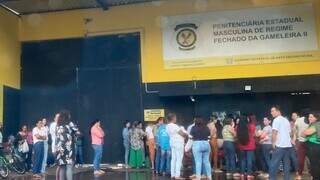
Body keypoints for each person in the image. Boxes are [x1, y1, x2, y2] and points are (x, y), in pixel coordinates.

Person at [269, 105, 292, 180]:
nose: (271, 113)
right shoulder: (286, 120)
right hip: (287, 146)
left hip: (279, 145)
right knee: (286, 165)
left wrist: (273, 143)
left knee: (273, 164)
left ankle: (272, 178)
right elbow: (290, 133)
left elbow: (274, 132)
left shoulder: (276, 120)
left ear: (278, 111)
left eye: (273, 111)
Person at [166, 113, 187, 179]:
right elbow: (183, 134)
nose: (176, 119)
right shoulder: (175, 126)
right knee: (179, 159)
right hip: (178, 143)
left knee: (173, 159)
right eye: (175, 117)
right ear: (173, 118)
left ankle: (173, 174)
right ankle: (177, 175)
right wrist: (186, 134)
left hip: (172, 143)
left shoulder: (167, 126)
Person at [55, 110, 75, 180]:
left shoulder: (57, 126)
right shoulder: (70, 124)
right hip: (67, 148)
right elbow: (77, 132)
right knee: (69, 167)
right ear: (67, 116)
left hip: (59, 148)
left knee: (62, 167)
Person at [302, 112, 320, 179]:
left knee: (314, 164)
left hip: (314, 146)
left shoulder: (316, 124)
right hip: (314, 146)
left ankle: (316, 177)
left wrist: (305, 132)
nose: (309, 118)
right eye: (309, 117)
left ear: (316, 118)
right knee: (315, 163)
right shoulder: (313, 125)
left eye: (311, 117)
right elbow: (303, 134)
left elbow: (304, 133)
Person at [292, 112, 308, 178]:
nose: (292, 117)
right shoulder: (297, 122)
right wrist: (294, 140)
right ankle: (300, 174)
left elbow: (295, 133)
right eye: (292, 115)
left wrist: (294, 140)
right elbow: (295, 133)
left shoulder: (298, 121)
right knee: (301, 160)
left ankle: (300, 174)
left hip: (307, 142)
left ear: (298, 116)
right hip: (302, 142)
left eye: (294, 115)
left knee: (301, 160)